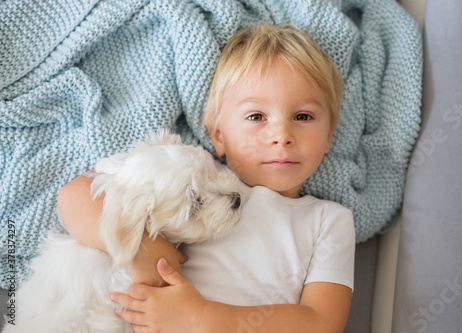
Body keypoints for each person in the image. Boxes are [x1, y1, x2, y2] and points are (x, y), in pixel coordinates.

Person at [59, 24, 355, 333]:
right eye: (256, 117)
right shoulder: (193, 174)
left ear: (328, 137)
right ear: (218, 135)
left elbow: (322, 322)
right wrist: (141, 249)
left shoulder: (329, 220)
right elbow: (74, 196)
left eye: (303, 116)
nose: (281, 135)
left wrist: (200, 317)